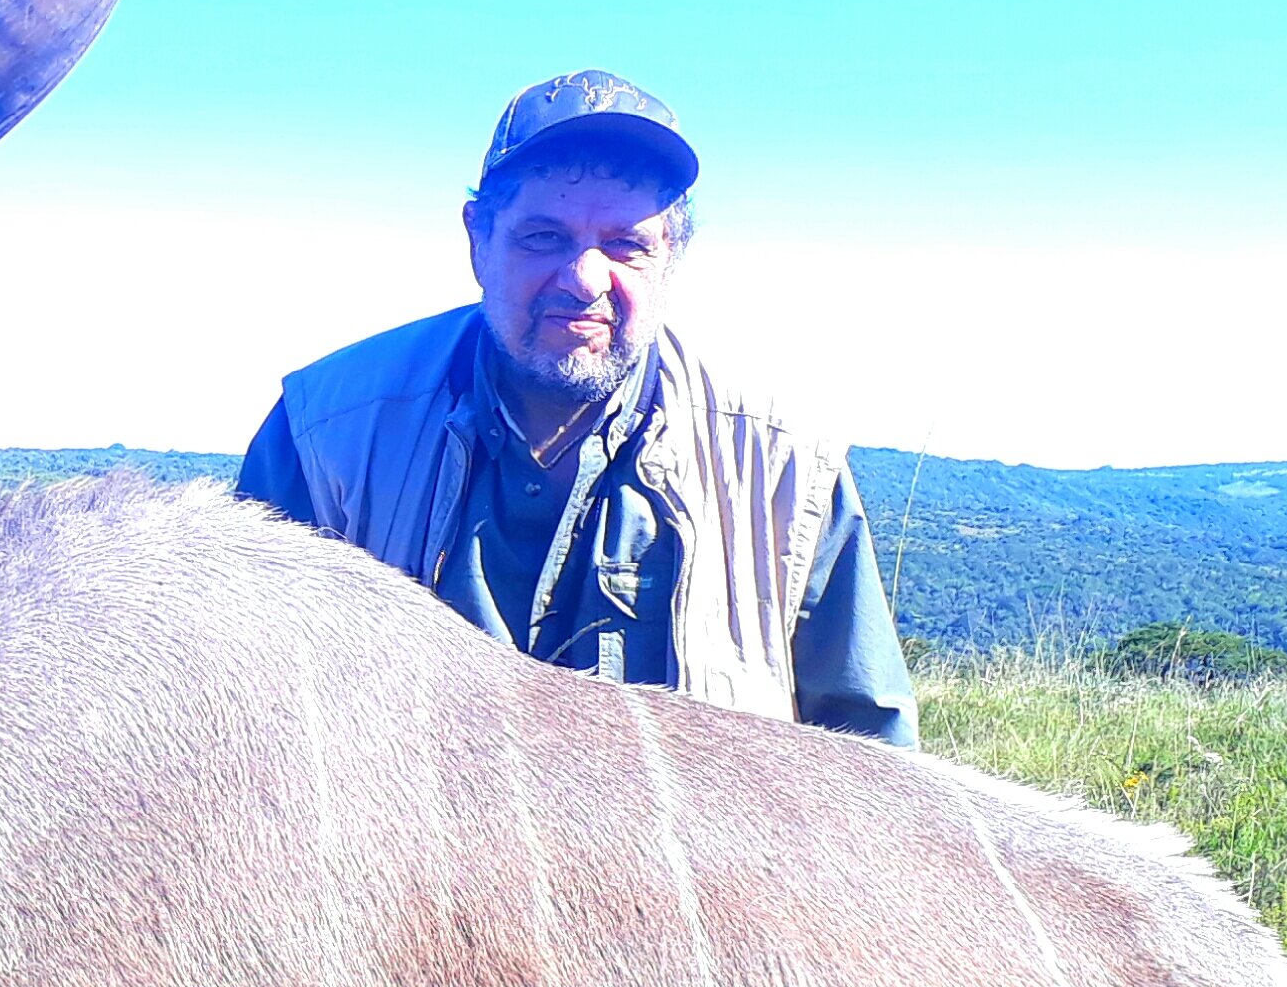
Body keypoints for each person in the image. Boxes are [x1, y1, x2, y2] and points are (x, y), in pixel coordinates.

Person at [235, 70, 919, 746]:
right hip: (403, 850)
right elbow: (241, 704)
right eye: (543, 238)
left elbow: (874, 754)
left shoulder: (782, 465)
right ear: (478, 237)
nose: (585, 278)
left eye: (625, 244)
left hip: (689, 857)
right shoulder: (323, 432)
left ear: (671, 256)